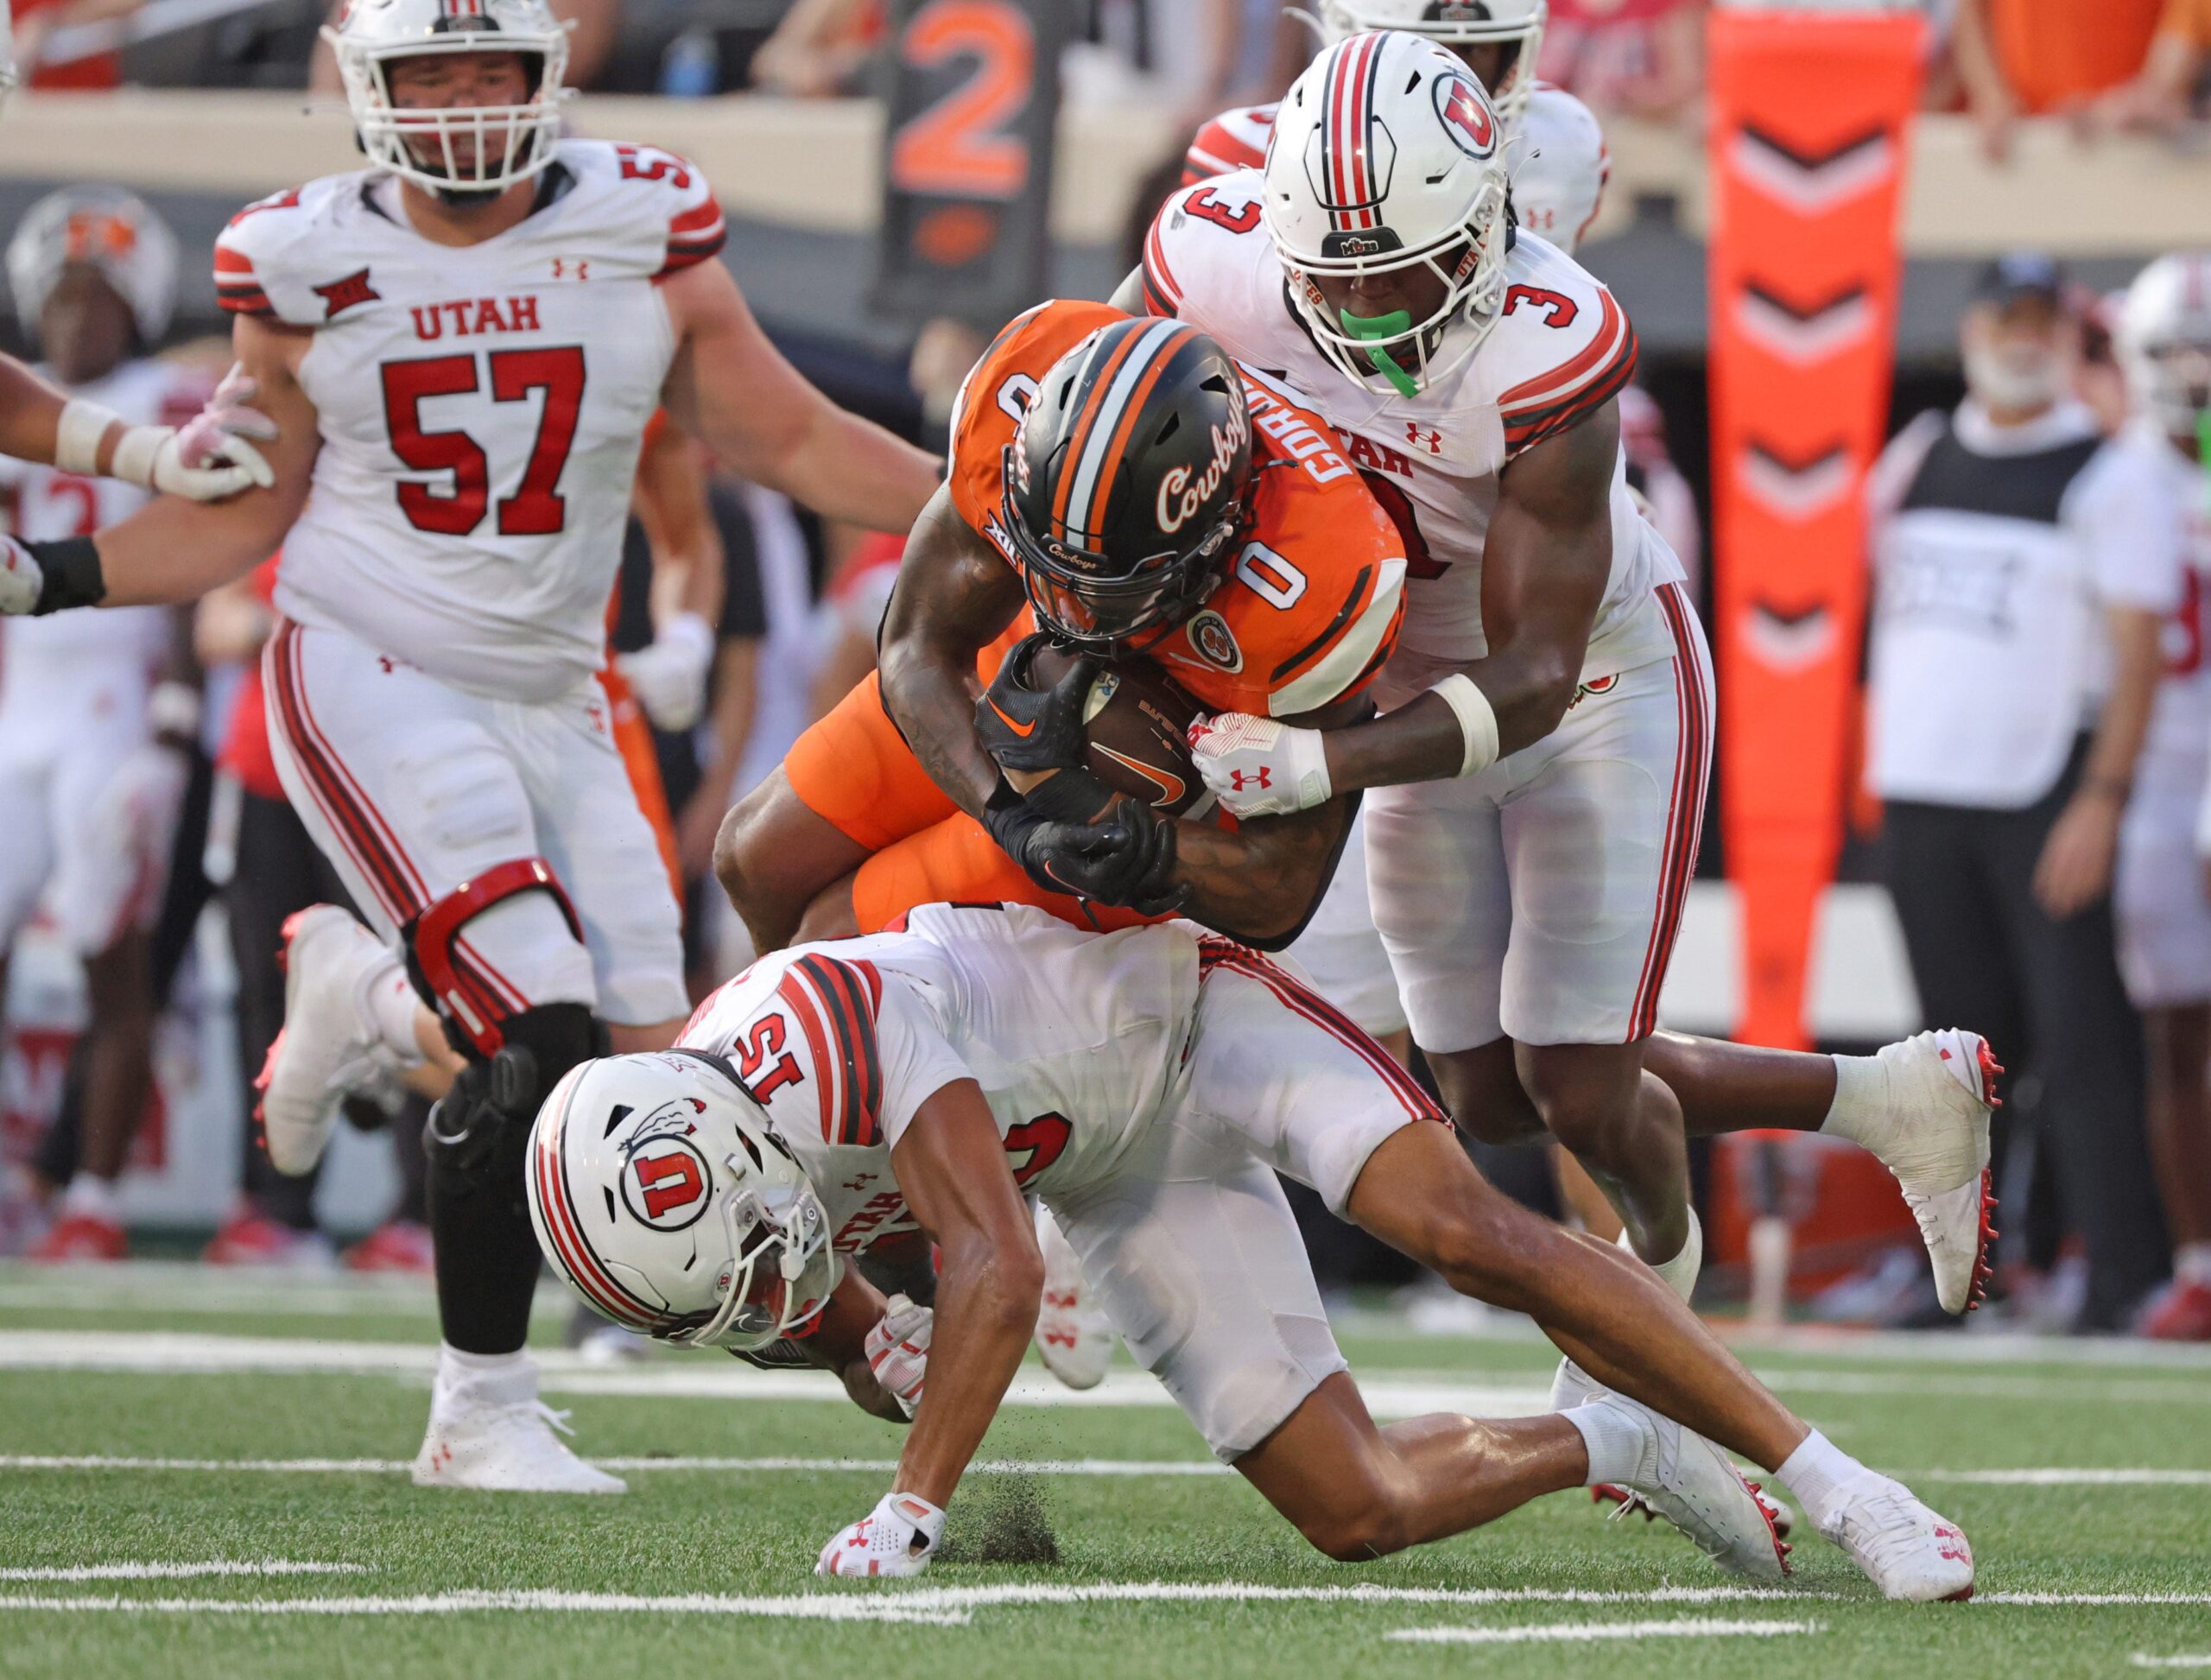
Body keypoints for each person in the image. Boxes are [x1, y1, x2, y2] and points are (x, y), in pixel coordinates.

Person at [0, 0, 937, 1489]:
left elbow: (789, 434)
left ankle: (372, 1005)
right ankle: (479, 1407)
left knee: (668, 1075)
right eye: (423, 72)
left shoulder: (644, 221)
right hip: (369, 659)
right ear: (364, 88)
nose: (456, 100)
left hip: (558, 690)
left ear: (544, 74)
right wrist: (57, 575)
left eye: (485, 67)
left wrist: (976, 507)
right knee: (542, 1018)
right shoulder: (301, 256)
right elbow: (251, 507)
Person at [1124, 34, 1999, 1395]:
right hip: (1415, 689)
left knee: (1579, 1080)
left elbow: (1531, 674)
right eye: (1339, 280)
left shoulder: (1553, 344)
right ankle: (1887, 1096)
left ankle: (1660, 1261)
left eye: (1401, 270)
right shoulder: (1213, 257)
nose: (1368, 316)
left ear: (1486, 221)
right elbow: (1110, 404)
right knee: (1478, 1092)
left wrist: (1315, 761)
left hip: (1592, 686)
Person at [530, 900, 1975, 1600]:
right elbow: (857, 1330)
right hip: (1111, 1173)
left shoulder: (820, 1027)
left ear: (723, 1141)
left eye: (758, 1261)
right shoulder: (719, 1208)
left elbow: (997, 1268)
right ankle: (1610, 1445)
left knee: (1456, 1227)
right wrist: (882, 1360)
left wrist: (915, 1504)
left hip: (1187, 1018)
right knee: (1357, 1510)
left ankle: (1846, 1486)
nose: (771, 1290)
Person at [1859, 255, 2175, 1332]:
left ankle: (2124, 1277)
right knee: (1945, 1060)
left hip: (2045, 791)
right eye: (2006, 315)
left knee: (2082, 1040)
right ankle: (1959, 1278)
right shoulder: (1916, 457)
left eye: (2042, 318)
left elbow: (2138, 656)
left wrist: (2101, 798)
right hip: (1923, 789)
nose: (2021, 336)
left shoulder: (2107, 473)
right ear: (1974, 325)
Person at [0, 187, 229, 1261]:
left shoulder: (167, 395)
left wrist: (174, 716)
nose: (73, 319)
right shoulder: (25, 398)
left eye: (96, 298)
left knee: (111, 953)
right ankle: (18, 1179)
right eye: (59, 297)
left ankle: (92, 1193)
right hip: (21, 707)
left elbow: (189, 555)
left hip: (112, 703)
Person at [2109, 254, 2211, 1340]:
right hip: (2151, 782)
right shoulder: (2117, 480)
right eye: (2178, 347)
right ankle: (2195, 1259)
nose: (2196, 373)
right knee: (2173, 1033)